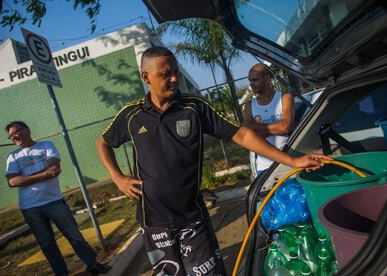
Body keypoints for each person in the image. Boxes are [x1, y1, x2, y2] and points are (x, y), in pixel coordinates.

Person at [95, 46, 330, 275]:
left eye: (175, 71)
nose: (175, 79)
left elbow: (242, 134)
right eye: (166, 74)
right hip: (153, 222)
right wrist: (118, 178)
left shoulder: (194, 108)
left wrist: (291, 160)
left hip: (193, 219)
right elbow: (102, 143)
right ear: (146, 77)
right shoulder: (131, 115)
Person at [5, 121, 110, 276]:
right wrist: (44, 174)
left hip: (54, 201)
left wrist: (26, 177)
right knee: (47, 244)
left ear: (26, 130)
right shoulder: (13, 156)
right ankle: (61, 273)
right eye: (10, 137)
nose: (14, 138)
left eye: (15, 133)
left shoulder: (46, 145)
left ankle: (93, 264)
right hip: (30, 207)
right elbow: (13, 181)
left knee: (74, 235)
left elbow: (55, 169)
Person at [243, 63, 294, 176]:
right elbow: (248, 136)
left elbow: (286, 127)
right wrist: (278, 128)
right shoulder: (249, 106)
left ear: (267, 78)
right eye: (250, 81)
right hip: (263, 168)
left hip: (288, 163)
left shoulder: (285, 98)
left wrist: (255, 127)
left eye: (255, 80)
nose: (251, 84)